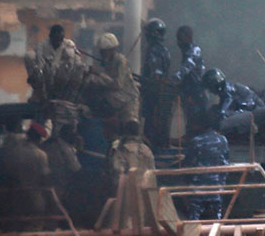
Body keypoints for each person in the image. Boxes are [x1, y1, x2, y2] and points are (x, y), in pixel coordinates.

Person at [0, 120, 52, 231]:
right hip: (34, 199)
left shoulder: (13, 151)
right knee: (33, 230)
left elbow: (6, 172)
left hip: (15, 198)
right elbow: (45, 178)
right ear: (38, 139)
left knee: (15, 230)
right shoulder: (41, 155)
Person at [84, 33, 140, 136]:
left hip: (127, 100)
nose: (102, 54)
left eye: (104, 51)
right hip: (115, 100)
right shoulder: (107, 62)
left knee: (130, 129)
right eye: (101, 51)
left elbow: (117, 84)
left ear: (111, 49)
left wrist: (99, 74)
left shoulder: (120, 61)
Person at [179, 116, 230, 221]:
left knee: (194, 219)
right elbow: (225, 162)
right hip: (217, 188)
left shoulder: (196, 141)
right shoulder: (223, 140)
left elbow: (189, 164)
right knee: (216, 220)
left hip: (198, 188)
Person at [140, 18, 173, 147]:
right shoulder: (165, 50)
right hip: (160, 92)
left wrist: (147, 86)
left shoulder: (153, 50)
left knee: (151, 121)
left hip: (153, 93)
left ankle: (152, 145)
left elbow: (156, 74)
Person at [42, 122, 83, 202]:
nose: (75, 136)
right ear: (68, 134)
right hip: (58, 183)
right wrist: (80, 150)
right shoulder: (65, 148)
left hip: (45, 182)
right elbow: (76, 168)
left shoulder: (50, 143)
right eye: (73, 133)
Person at [175, 25, 206, 124]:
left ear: (189, 37)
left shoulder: (194, 50)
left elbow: (187, 66)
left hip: (197, 91)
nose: (179, 42)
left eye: (181, 39)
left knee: (197, 120)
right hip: (189, 91)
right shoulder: (186, 52)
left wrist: (175, 78)